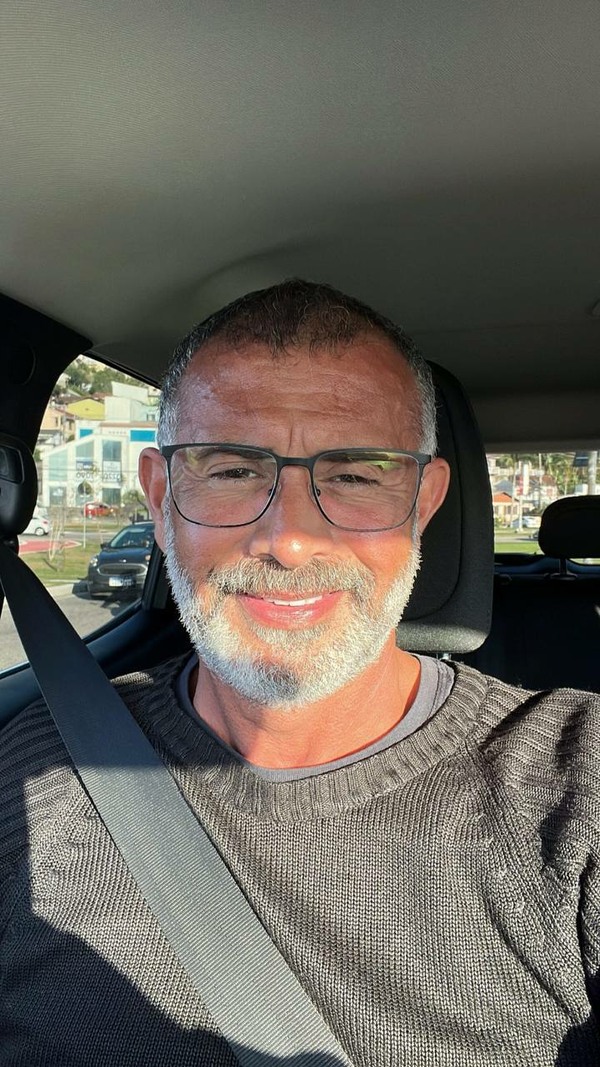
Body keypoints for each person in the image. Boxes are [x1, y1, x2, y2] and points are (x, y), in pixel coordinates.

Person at [1, 280, 599, 1066]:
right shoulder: (33, 767)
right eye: (232, 471)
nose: (288, 540)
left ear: (423, 503)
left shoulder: (575, 779)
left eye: (355, 476)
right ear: (161, 496)